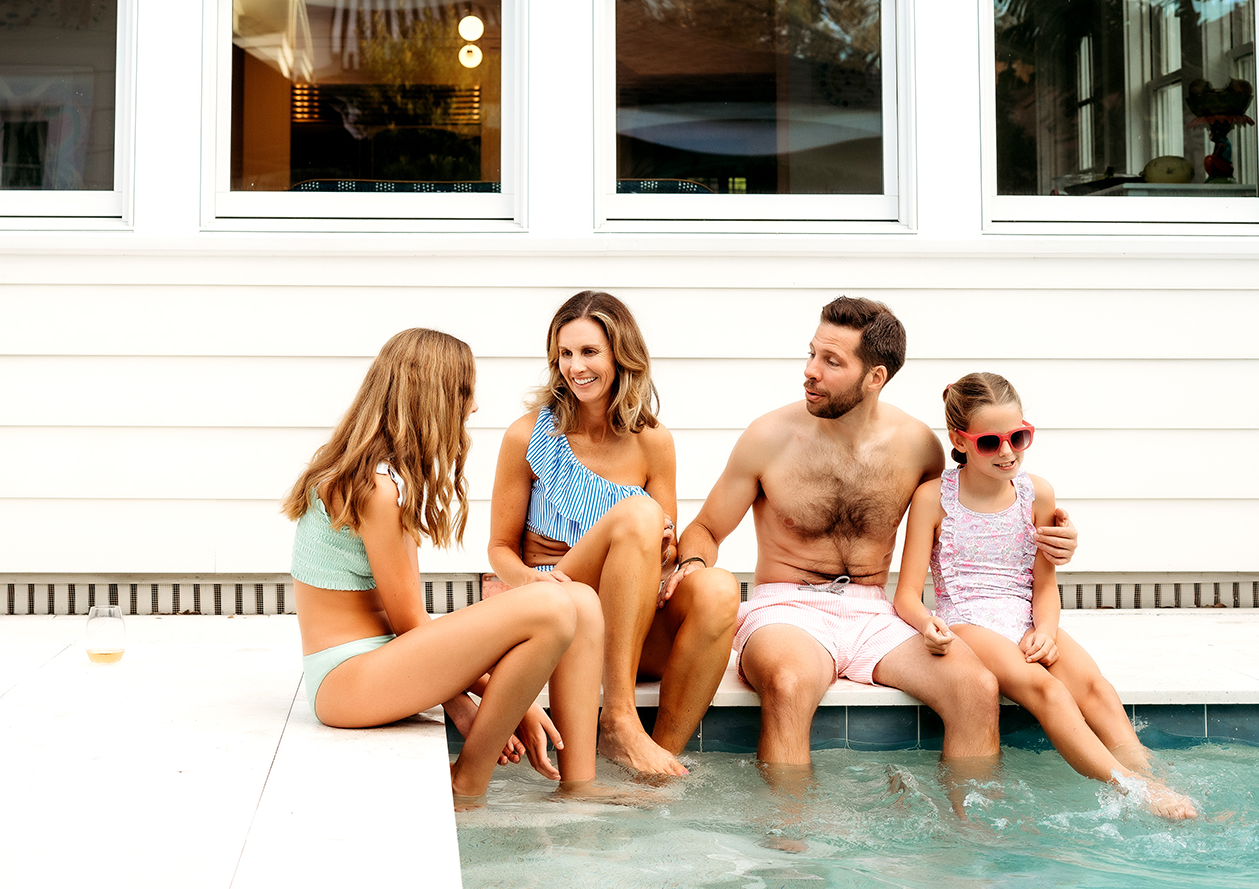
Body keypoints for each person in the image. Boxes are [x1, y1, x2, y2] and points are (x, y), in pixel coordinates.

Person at [675, 297, 1080, 789]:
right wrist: (693, 564)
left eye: (832, 361)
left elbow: (980, 505)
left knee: (975, 687)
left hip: (876, 613)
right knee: (789, 684)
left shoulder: (916, 446)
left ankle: (969, 850)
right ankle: (791, 853)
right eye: (811, 354)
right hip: (788, 604)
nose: (810, 372)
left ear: (875, 377)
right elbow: (706, 529)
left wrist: (1052, 541)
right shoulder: (769, 437)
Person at [284, 327, 645, 808]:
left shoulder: (377, 475)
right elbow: (410, 623)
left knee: (577, 598)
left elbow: (408, 631)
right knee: (552, 604)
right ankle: (467, 784)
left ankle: (578, 783)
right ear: (433, 396)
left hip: (378, 664)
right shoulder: (377, 489)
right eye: (466, 392)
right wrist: (506, 703)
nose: (473, 407)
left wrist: (493, 697)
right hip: (346, 682)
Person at [893, 373, 1198, 820]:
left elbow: (1043, 584)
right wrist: (928, 626)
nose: (1007, 452)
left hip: (1026, 617)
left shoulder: (1037, 494)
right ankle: (1133, 790)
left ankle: (1161, 783)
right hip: (969, 620)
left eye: (1019, 437)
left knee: (1098, 690)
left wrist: (1048, 630)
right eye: (990, 442)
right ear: (960, 440)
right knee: (1047, 691)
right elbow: (906, 596)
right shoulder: (933, 499)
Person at [487, 292, 741, 778]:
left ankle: (654, 763)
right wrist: (526, 580)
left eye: (589, 352)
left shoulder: (654, 442)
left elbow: (659, 554)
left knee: (719, 588)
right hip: (559, 604)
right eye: (565, 354)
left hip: (627, 621)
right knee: (641, 514)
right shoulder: (528, 435)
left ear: (620, 356)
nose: (575, 367)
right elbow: (499, 548)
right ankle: (619, 719)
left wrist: (670, 561)